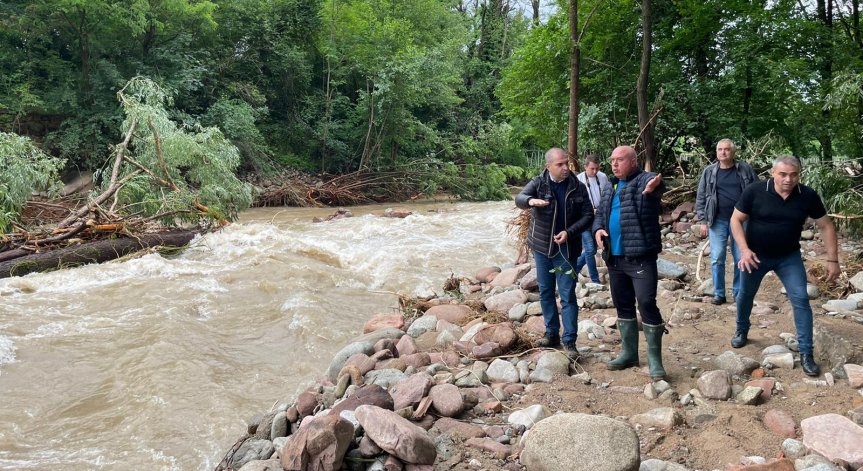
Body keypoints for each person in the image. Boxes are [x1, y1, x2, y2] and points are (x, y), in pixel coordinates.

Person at [729, 155, 840, 377]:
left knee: (800, 299)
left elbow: (826, 226)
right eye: (783, 174)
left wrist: (833, 260)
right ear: (773, 173)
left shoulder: (807, 195)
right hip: (755, 256)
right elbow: (735, 220)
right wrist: (744, 249)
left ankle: (807, 354)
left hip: (788, 257)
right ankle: (742, 329)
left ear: (799, 174)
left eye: (793, 174)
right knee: (744, 294)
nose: (788, 179)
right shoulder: (755, 191)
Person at [593, 145, 668, 380]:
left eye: (620, 160)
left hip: (640, 256)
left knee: (646, 302)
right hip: (614, 257)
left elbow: (656, 183)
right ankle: (629, 353)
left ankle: (655, 360)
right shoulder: (610, 186)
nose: (614, 164)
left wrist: (656, 186)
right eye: (612, 160)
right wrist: (597, 231)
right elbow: (599, 217)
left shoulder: (643, 181)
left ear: (633, 161)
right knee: (622, 304)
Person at [515, 148, 594, 355]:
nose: (566, 168)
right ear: (548, 166)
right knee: (546, 292)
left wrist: (569, 232)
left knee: (567, 295)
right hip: (542, 248)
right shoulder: (539, 183)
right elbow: (520, 198)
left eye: (566, 163)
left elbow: (588, 216)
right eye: (560, 164)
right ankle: (551, 334)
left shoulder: (578, 186)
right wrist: (530, 201)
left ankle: (570, 341)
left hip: (567, 249)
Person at [694, 139, 758, 305]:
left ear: (733, 152)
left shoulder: (745, 169)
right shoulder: (709, 172)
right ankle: (719, 293)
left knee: (740, 256)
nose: (723, 152)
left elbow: (757, 192)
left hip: (742, 220)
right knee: (717, 257)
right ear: (716, 152)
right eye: (720, 149)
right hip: (717, 220)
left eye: (727, 149)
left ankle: (738, 293)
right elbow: (701, 196)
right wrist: (703, 220)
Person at [575, 154, 610, 283]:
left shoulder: (603, 177)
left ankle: (573, 270)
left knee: (593, 249)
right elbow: (575, 204)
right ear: (585, 167)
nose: (595, 172)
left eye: (597, 168)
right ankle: (595, 280)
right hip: (584, 219)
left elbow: (607, 195)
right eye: (592, 169)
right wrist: (590, 210)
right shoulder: (577, 180)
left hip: (599, 218)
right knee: (589, 249)